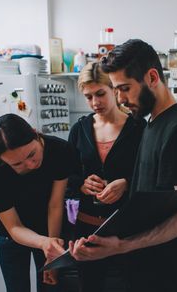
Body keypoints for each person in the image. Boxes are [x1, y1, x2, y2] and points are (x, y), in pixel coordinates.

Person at [69, 39, 177, 292]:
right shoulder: (153, 121)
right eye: (115, 89)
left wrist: (122, 245)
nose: (120, 99)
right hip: (146, 265)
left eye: (124, 88)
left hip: (166, 270)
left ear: (152, 77)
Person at [67, 62, 146, 291]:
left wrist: (127, 184)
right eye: (88, 97)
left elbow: (150, 173)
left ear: (114, 89)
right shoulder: (79, 129)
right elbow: (67, 178)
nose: (95, 103)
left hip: (127, 229)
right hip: (86, 230)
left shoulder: (138, 127)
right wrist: (81, 184)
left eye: (100, 94)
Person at [0, 113, 76, 292]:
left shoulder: (60, 150)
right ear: (1, 160)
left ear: (35, 133)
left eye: (32, 154)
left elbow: (55, 205)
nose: (31, 165)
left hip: (49, 227)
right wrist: (43, 243)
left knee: (50, 288)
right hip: (13, 237)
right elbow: (14, 227)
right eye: (17, 164)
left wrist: (52, 249)